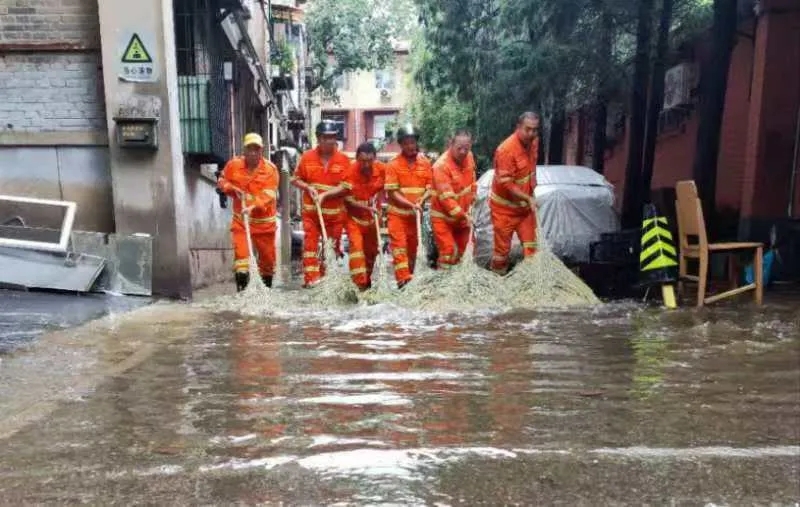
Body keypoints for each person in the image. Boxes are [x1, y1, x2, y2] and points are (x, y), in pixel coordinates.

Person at [291, 120, 351, 288]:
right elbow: (295, 179)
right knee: (310, 245)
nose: (330, 141)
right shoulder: (307, 157)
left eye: (332, 137)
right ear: (318, 138)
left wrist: (325, 195)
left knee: (331, 248)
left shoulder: (344, 160)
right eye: (325, 138)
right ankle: (311, 280)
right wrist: (307, 187)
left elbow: (346, 187)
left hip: (335, 216)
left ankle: (326, 280)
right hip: (311, 213)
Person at [318, 142, 386, 291]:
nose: (367, 165)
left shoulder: (382, 169)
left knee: (371, 252)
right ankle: (359, 285)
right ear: (357, 159)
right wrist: (324, 195)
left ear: (375, 159)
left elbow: (391, 186)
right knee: (356, 249)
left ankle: (367, 282)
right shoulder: (350, 172)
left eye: (370, 161)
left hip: (373, 220)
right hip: (354, 219)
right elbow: (346, 197)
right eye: (363, 161)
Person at [217, 132, 279, 291]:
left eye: (256, 149)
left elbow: (269, 194)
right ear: (244, 150)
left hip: (264, 224)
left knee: (267, 262)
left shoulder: (270, 170)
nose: (253, 152)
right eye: (249, 149)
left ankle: (266, 293)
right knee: (242, 260)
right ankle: (242, 294)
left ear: (261, 151)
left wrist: (253, 206)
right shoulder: (233, 165)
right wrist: (231, 188)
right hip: (241, 222)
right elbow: (221, 181)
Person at [489, 112, 540, 274]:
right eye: (528, 129)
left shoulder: (534, 143)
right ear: (518, 127)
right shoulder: (505, 150)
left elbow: (531, 171)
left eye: (535, 130)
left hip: (524, 209)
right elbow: (507, 184)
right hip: (504, 210)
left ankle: (531, 282)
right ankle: (498, 280)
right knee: (501, 252)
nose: (531, 134)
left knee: (532, 247)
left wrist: (532, 192)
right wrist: (527, 197)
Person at [384, 124, 433, 288]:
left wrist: (422, 199)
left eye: (412, 142)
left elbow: (430, 188)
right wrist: (411, 204)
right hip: (397, 215)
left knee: (413, 250)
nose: (410, 146)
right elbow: (392, 193)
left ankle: (410, 278)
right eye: (406, 143)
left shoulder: (425, 163)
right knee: (399, 249)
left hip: (415, 216)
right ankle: (402, 282)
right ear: (401, 144)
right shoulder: (392, 164)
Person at [430, 129, 477, 269]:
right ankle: (445, 283)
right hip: (443, 218)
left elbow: (472, 179)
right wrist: (464, 216)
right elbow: (447, 200)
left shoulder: (470, 156)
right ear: (451, 144)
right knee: (448, 252)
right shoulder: (441, 166)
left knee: (466, 251)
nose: (463, 152)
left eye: (466, 148)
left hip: (462, 217)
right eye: (459, 148)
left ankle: (461, 283)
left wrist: (474, 194)